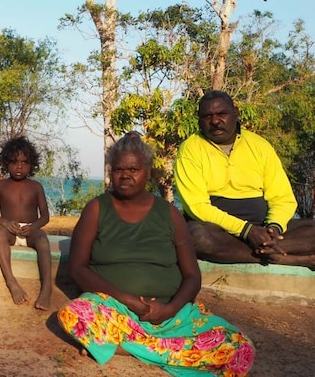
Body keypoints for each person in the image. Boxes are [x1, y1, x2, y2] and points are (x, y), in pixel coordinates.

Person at [57, 132, 255, 375]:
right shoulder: (97, 208)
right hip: (116, 311)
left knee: (241, 347)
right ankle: (171, 352)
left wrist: (170, 309)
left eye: (134, 169)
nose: (125, 175)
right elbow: (77, 268)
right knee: (73, 315)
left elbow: (192, 276)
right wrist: (125, 299)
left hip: (172, 318)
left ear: (148, 172)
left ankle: (126, 347)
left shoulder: (169, 213)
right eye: (118, 169)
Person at [174, 90, 315, 266]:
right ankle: (282, 257)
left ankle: (269, 249)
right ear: (199, 121)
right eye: (207, 116)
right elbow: (197, 207)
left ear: (236, 113)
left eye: (222, 114)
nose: (215, 121)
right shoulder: (190, 149)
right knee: (195, 236)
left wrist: (274, 228)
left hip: (263, 227)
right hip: (219, 230)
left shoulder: (259, 145)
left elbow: (282, 199)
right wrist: (246, 231)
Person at [0, 135, 52, 309]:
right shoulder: (1, 186)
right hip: (11, 231)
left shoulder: (36, 187)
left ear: (31, 165)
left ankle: (46, 288)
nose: (19, 167)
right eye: (14, 162)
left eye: (24, 162)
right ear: (6, 163)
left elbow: (45, 216)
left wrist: (34, 227)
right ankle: (12, 282)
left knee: (44, 241)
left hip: (31, 231)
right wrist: (6, 223)